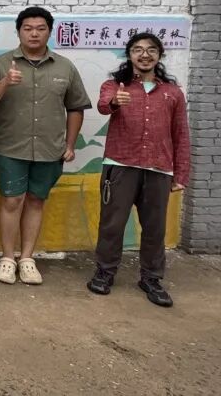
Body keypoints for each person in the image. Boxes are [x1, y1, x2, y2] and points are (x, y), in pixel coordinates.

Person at [0, 7, 91, 285]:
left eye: (40, 28)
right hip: (11, 147)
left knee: (35, 200)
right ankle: (7, 258)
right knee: (12, 200)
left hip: (50, 148)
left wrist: (70, 144)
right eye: (28, 28)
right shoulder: (1, 63)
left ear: (49, 31)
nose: (34, 33)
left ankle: (27, 258)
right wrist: (6, 82)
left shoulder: (65, 67)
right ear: (19, 31)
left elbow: (76, 107)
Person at [87, 33, 190, 307]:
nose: (145, 55)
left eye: (151, 50)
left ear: (160, 55)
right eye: (138, 50)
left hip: (159, 169)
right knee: (112, 225)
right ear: (130, 54)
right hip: (120, 166)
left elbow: (181, 134)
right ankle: (105, 272)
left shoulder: (172, 92)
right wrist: (115, 102)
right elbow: (103, 105)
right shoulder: (114, 85)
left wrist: (181, 174)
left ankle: (151, 278)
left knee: (155, 228)